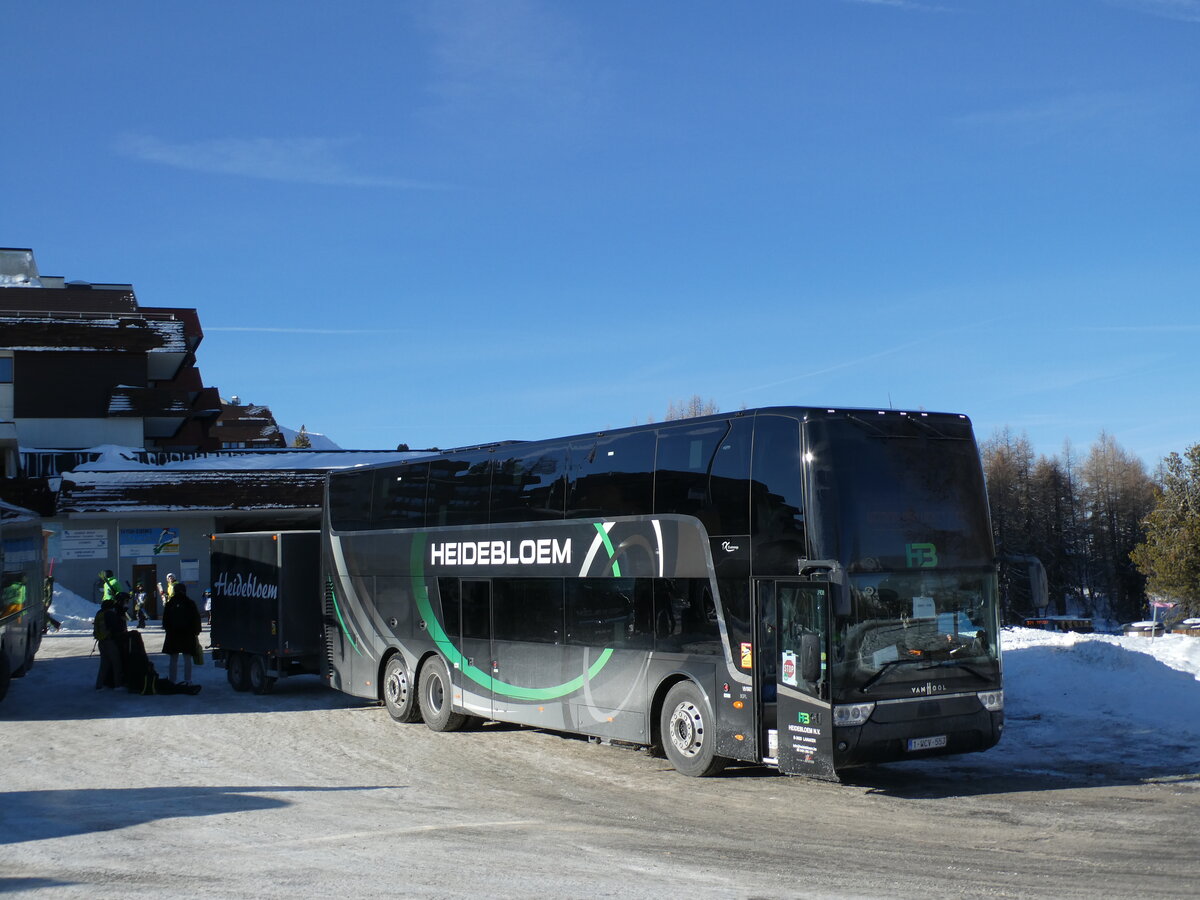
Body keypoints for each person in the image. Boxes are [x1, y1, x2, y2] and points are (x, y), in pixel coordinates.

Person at [161, 582, 201, 685]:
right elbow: (196, 618)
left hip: (173, 634)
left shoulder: (170, 603)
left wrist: (168, 630)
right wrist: (196, 632)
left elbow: (165, 620)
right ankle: (188, 680)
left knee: (173, 659)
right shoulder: (190, 603)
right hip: (187, 634)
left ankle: (172, 680)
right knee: (187, 658)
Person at [93, 597, 125, 689]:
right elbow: (117, 627)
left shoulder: (99, 613)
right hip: (110, 641)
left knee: (104, 664)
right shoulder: (110, 614)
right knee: (116, 663)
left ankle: (99, 684)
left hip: (101, 641)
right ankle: (117, 684)